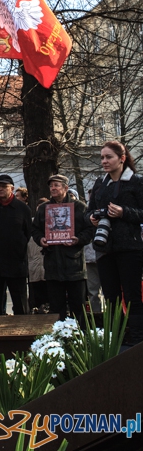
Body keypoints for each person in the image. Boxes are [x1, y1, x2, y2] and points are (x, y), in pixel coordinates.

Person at [87, 141, 143, 345]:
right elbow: (88, 212)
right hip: (104, 249)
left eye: (108, 157)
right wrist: (92, 218)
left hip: (130, 248)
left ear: (122, 158)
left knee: (132, 297)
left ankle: (137, 344)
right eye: (102, 157)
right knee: (110, 299)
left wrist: (123, 212)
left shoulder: (136, 182)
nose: (104, 161)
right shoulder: (100, 184)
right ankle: (115, 342)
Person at [32, 174, 93, 323]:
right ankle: (59, 338)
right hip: (53, 265)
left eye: (56, 185)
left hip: (75, 266)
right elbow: (34, 230)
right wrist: (41, 239)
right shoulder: (44, 209)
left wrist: (78, 240)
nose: (53, 188)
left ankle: (81, 338)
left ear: (66, 188)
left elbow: (90, 230)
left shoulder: (80, 208)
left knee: (78, 307)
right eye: (51, 186)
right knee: (56, 308)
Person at [0, 174, 32, 316]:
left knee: (20, 303)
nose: (0, 189)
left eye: (4, 187)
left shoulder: (23, 209)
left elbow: (27, 233)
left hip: (16, 263)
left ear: (12, 188)